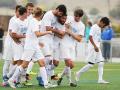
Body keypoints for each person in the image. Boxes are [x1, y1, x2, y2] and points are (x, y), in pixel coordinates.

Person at [7, 7, 54, 89]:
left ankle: (46, 83)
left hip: (35, 46)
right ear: (41, 14)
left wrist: (38, 42)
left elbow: (33, 35)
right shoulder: (34, 22)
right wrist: (48, 32)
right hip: (30, 46)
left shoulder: (35, 21)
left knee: (42, 63)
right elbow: (37, 34)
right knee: (24, 65)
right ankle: (11, 79)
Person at [75, 17, 110, 84]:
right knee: (91, 65)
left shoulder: (99, 28)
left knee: (101, 63)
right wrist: (95, 46)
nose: (104, 26)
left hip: (97, 48)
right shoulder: (94, 27)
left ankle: (100, 80)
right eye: (104, 25)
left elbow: (97, 38)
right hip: (93, 48)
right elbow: (90, 37)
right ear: (102, 22)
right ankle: (78, 73)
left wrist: (98, 46)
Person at [57, 8, 85, 87]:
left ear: (81, 17)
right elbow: (61, 23)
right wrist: (64, 26)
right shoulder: (68, 18)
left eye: (78, 17)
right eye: (75, 16)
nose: (76, 18)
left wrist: (70, 32)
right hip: (64, 43)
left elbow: (79, 39)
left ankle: (60, 76)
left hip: (72, 46)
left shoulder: (82, 26)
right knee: (70, 64)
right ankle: (70, 82)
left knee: (69, 65)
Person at [39, 4, 67, 79]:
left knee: (50, 60)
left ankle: (45, 77)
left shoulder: (56, 17)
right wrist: (58, 31)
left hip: (50, 39)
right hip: (43, 38)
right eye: (60, 13)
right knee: (48, 58)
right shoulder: (49, 15)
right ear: (57, 9)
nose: (60, 15)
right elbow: (48, 28)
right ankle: (40, 76)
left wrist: (59, 32)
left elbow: (55, 30)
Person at [2, 5, 22, 85]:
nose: (19, 13)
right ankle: (5, 80)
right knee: (7, 62)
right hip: (10, 44)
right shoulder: (13, 19)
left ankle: (12, 79)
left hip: (16, 45)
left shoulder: (22, 20)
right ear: (16, 11)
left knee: (17, 62)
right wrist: (17, 40)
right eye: (18, 11)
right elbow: (11, 33)